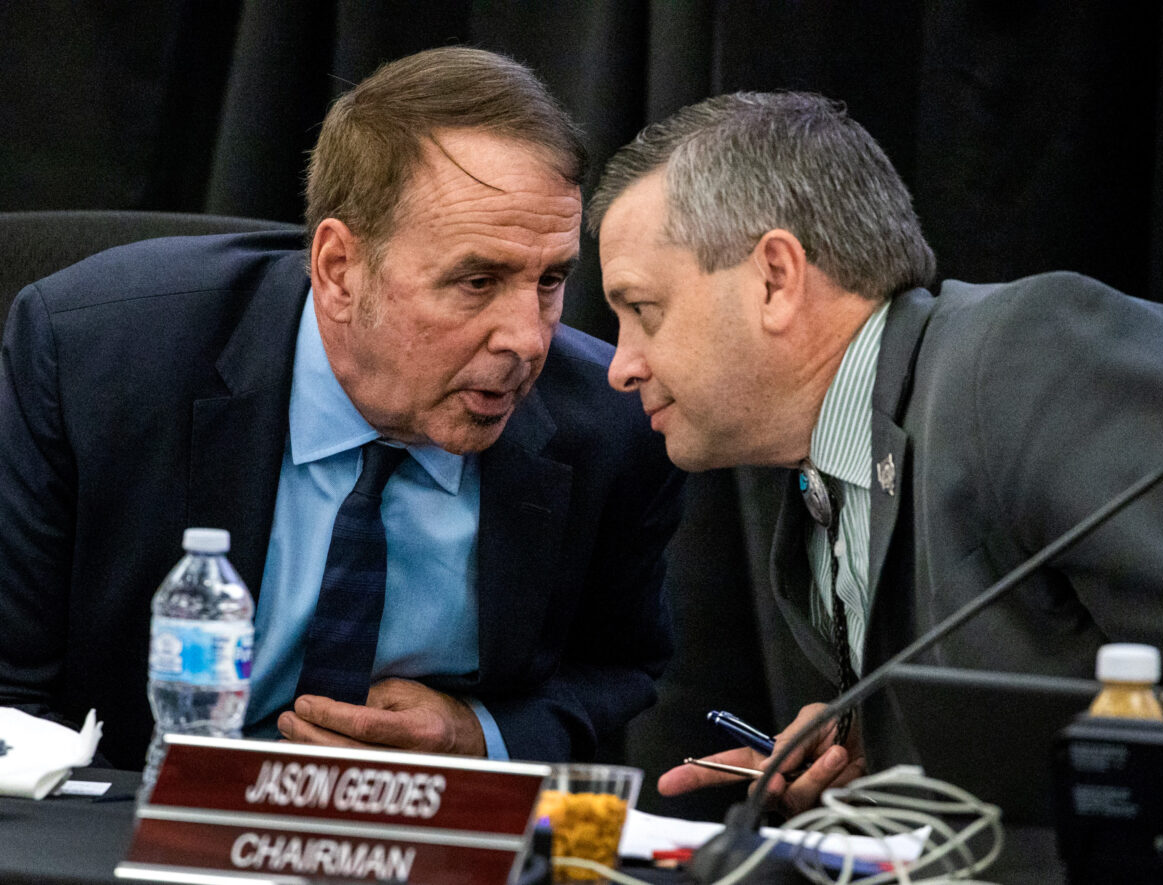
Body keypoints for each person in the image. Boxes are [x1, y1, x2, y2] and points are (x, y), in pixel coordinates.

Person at [0, 47, 682, 772]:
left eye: (549, 281)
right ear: (338, 270)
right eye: (477, 280)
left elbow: (619, 667)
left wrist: (479, 734)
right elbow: (11, 687)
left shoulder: (611, 421)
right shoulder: (94, 360)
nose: (526, 338)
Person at [587, 90, 1163, 816]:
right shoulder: (817, 490)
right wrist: (885, 749)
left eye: (642, 311)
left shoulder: (1024, 354)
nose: (619, 366)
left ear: (776, 279)